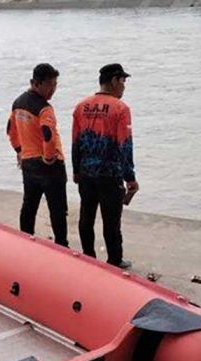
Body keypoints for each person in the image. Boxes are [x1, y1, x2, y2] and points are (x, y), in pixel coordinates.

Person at [72, 64, 139, 270]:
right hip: (110, 174)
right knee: (111, 220)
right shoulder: (121, 109)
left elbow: (75, 142)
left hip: (86, 172)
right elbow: (124, 145)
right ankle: (114, 260)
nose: (124, 87)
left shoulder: (81, 107)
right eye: (123, 81)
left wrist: (76, 170)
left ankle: (88, 256)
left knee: (87, 215)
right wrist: (130, 177)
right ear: (114, 81)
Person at [7, 63, 68, 247]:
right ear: (36, 83)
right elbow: (48, 134)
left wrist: (19, 150)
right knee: (57, 208)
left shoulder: (18, 103)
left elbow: (11, 130)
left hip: (28, 163)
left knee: (29, 204)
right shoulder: (45, 109)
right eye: (49, 85)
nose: (53, 90)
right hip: (49, 164)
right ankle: (61, 245)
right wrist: (49, 157)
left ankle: (25, 240)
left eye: (55, 84)